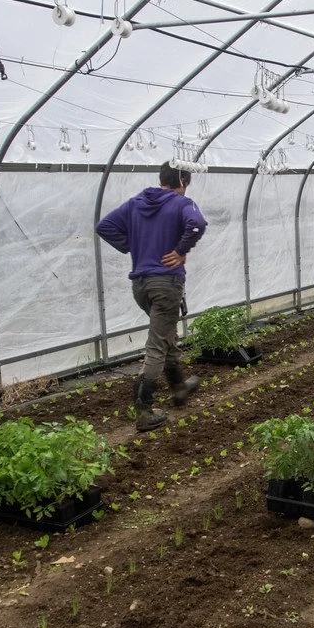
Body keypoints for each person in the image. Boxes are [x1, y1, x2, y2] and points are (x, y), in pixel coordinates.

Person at [96, 164, 208, 430]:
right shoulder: (182, 203)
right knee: (157, 344)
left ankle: (179, 389)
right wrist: (182, 250)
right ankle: (144, 410)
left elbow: (105, 226)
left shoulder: (137, 203)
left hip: (141, 285)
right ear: (183, 180)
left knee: (165, 335)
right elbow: (197, 224)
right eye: (186, 183)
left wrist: (131, 245)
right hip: (166, 284)